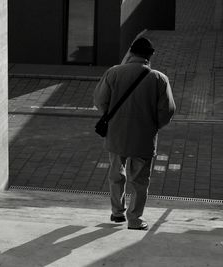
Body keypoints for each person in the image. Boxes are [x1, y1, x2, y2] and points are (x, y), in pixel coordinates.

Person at [93, 37, 176, 230]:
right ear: (149, 57)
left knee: (115, 173)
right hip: (144, 137)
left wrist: (111, 116)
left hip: (116, 133)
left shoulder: (113, 72)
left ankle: (117, 212)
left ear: (131, 53)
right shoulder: (159, 78)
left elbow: (99, 100)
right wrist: (154, 125)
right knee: (139, 180)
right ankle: (135, 219)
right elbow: (168, 110)